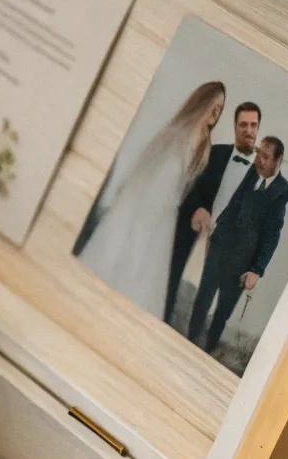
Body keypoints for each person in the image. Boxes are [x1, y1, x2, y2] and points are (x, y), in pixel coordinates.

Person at [79, 81, 226, 317]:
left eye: (221, 109)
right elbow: (146, 173)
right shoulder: (175, 133)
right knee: (120, 262)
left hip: (164, 219)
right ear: (202, 101)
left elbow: (186, 189)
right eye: (214, 105)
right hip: (142, 208)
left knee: (144, 281)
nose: (216, 112)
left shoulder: (203, 147)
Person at [187, 135, 288, 355]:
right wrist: (215, 232)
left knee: (222, 314)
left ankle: (205, 354)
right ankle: (186, 344)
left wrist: (257, 270)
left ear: (277, 160)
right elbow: (231, 201)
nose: (259, 160)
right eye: (258, 154)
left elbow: (272, 236)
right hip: (219, 247)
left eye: (265, 156)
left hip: (242, 263)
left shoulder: (282, 191)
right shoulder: (248, 172)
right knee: (202, 301)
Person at [165, 100, 262, 323]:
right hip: (195, 234)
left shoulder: (263, 173)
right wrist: (199, 208)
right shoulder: (215, 153)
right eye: (243, 125)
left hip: (226, 250)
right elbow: (192, 186)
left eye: (253, 125)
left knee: (205, 309)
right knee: (173, 286)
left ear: (258, 128)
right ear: (235, 127)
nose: (248, 130)